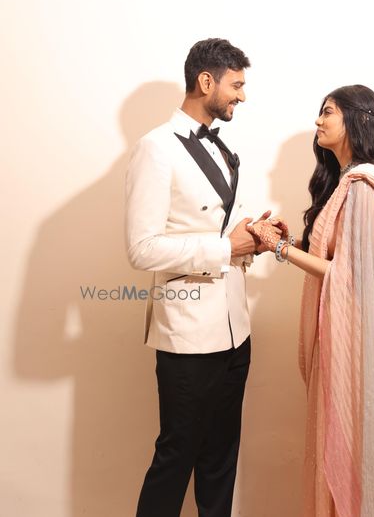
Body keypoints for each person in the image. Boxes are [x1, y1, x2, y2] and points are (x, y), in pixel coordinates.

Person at [249, 85, 374, 517]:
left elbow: (349, 277)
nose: (318, 120)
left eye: (328, 112)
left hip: (358, 352)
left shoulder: (365, 186)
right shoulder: (351, 183)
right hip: (347, 342)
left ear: (356, 119)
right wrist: (293, 242)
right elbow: (342, 259)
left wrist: (278, 249)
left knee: (356, 454)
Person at [125, 38, 274, 517]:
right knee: (176, 459)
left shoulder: (223, 148)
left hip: (235, 330)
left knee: (220, 460)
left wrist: (251, 237)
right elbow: (142, 249)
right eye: (237, 85)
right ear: (206, 81)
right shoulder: (155, 148)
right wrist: (226, 248)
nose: (242, 96)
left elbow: (213, 229)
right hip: (187, 336)